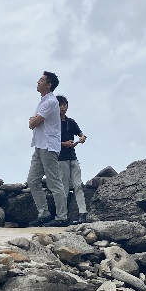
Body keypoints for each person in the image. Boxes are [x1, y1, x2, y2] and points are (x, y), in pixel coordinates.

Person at [27, 71, 68, 227]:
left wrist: (33, 120)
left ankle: (62, 217)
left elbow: (32, 123)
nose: (38, 82)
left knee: (54, 182)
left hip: (49, 146)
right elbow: (33, 121)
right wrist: (34, 120)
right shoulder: (43, 101)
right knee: (32, 180)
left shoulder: (51, 102)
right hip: (39, 145)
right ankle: (44, 213)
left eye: (41, 80)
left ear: (48, 85)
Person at [56, 95, 88, 223]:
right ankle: (63, 216)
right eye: (60, 105)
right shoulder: (52, 124)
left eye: (65, 105)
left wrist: (82, 138)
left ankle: (83, 214)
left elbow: (82, 134)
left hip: (73, 158)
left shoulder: (71, 122)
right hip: (60, 159)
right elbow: (49, 142)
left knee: (78, 185)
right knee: (63, 187)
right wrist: (65, 144)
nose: (63, 107)